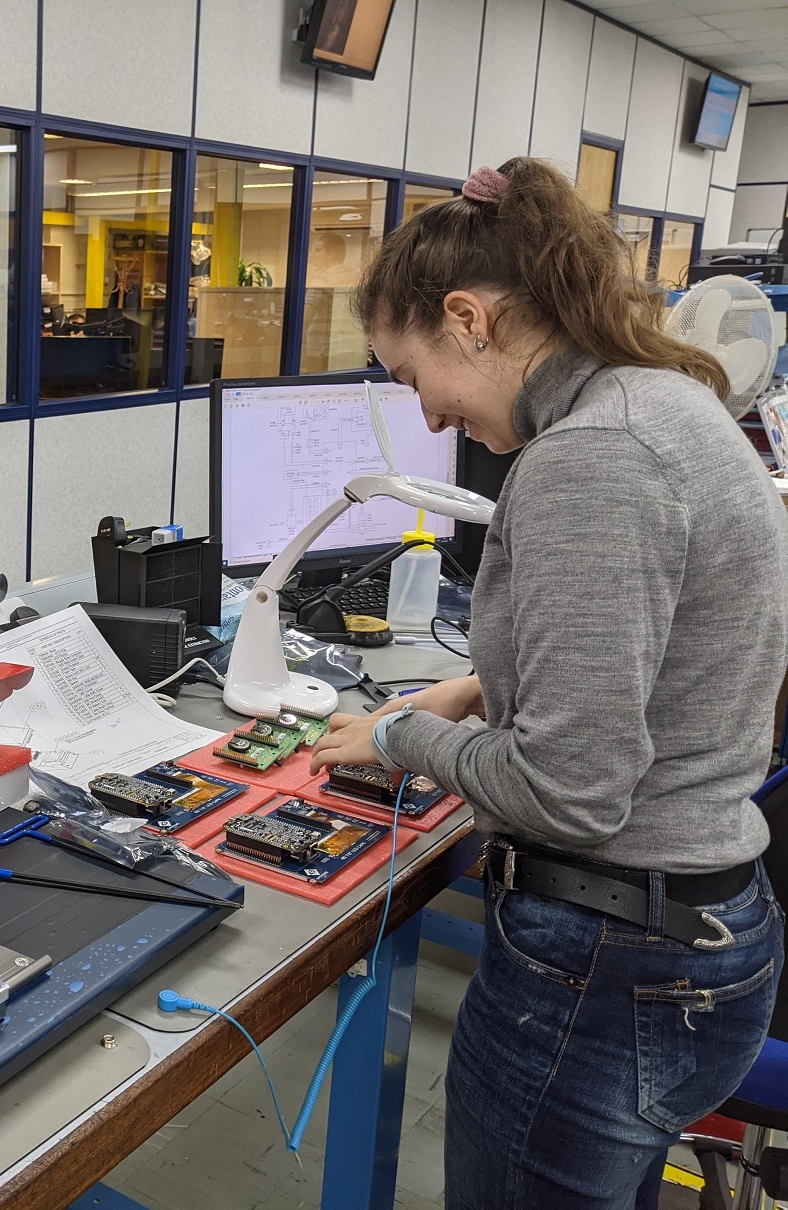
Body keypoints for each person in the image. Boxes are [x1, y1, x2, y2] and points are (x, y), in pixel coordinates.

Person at [308, 157, 788, 1209]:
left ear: (469, 318)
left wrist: (399, 739)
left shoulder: (593, 459)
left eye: (409, 374)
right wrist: (469, 692)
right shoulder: (662, 404)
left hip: (605, 965)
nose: (427, 416)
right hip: (690, 935)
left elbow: (568, 792)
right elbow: (651, 644)